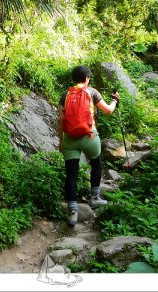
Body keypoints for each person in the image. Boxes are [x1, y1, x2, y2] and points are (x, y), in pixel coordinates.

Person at [58, 65, 119, 226]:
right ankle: (94, 197)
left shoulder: (65, 94)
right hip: (89, 136)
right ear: (86, 78)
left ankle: (72, 212)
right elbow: (107, 111)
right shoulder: (92, 92)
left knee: (71, 175)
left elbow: (60, 119)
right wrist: (114, 100)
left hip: (70, 138)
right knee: (96, 164)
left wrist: (61, 141)